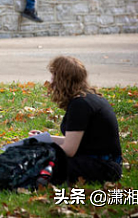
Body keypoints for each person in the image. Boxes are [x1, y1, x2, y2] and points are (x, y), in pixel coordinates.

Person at [29, 56, 122, 184]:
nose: (51, 82)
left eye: (53, 77)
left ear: (61, 80)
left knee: (36, 164)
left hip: (102, 167)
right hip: (105, 163)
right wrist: (44, 138)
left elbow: (69, 149)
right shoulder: (88, 98)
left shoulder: (80, 105)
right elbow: (74, 141)